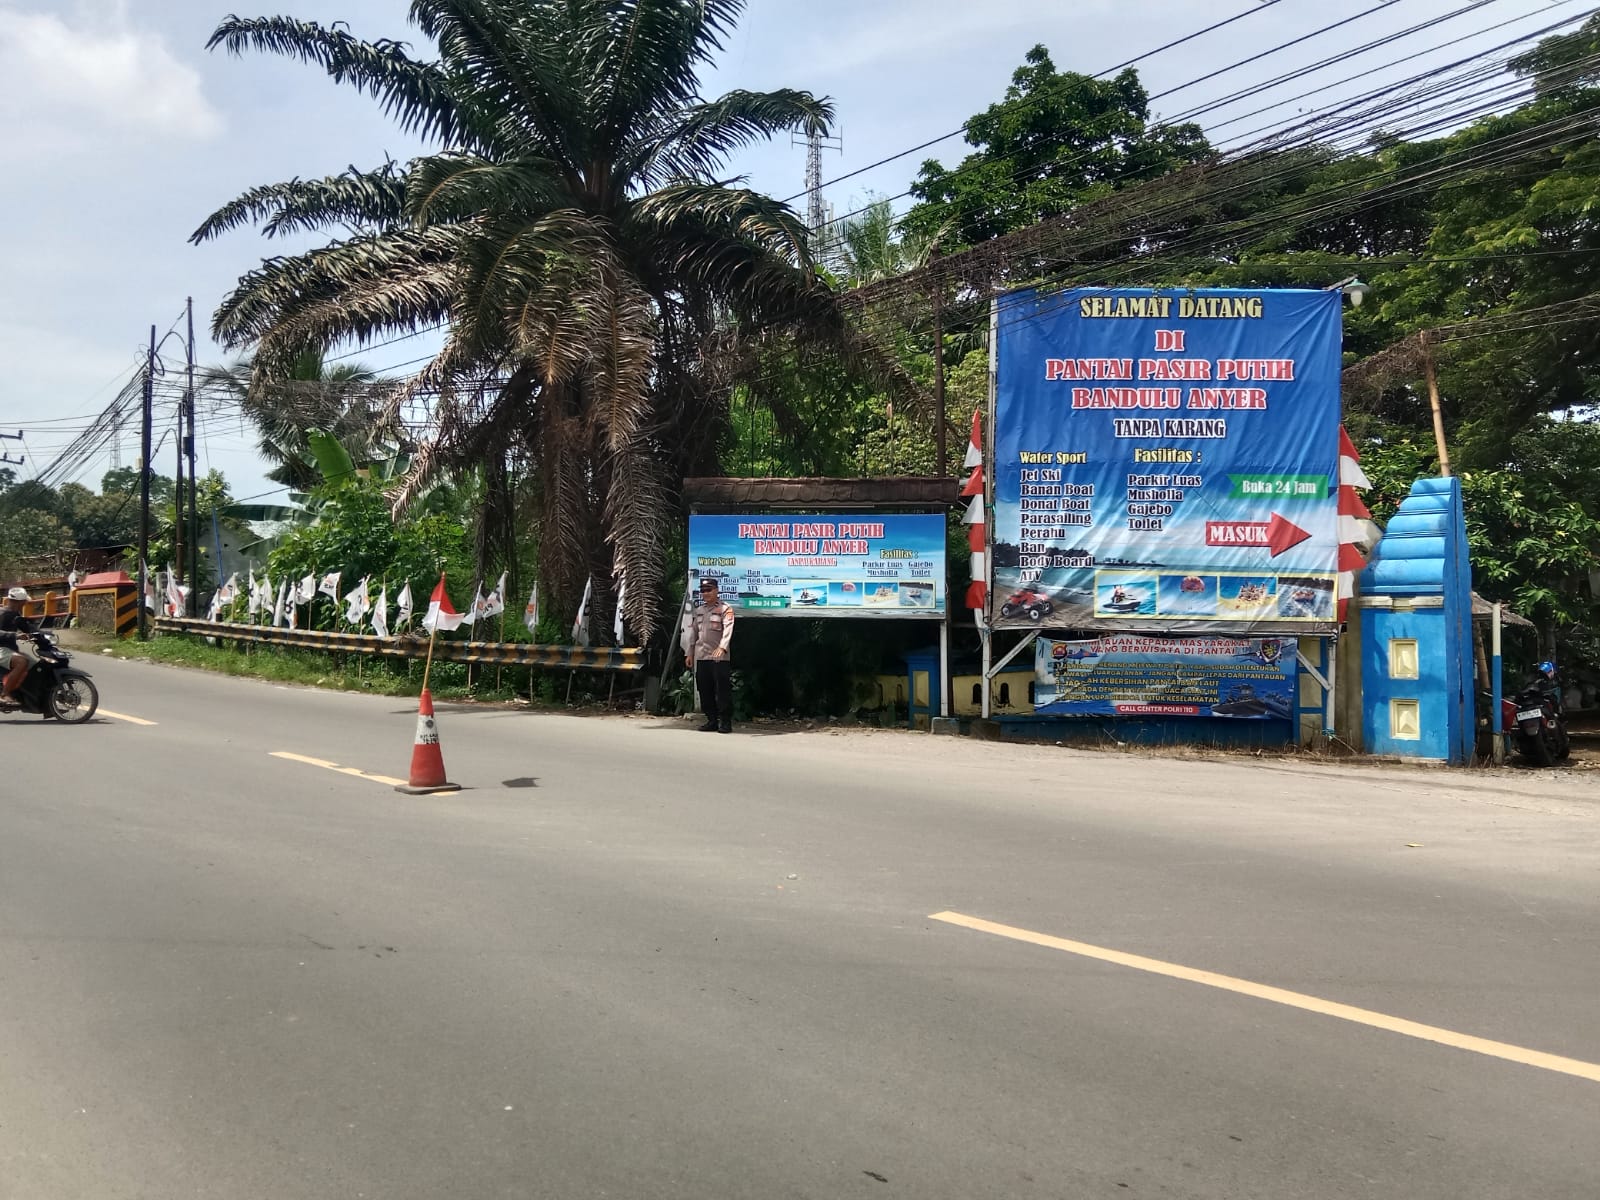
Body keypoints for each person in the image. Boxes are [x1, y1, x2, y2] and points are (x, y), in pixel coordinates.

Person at [680, 577, 736, 733]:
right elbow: (693, 634)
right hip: (702, 657)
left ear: (716, 590)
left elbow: (728, 630)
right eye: (703, 590)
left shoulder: (725, 609)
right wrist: (689, 654)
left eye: (709, 590)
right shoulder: (699, 611)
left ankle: (725, 722)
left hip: (719, 657)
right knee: (704, 690)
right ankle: (711, 720)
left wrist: (722, 647)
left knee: (722, 690)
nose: (706, 593)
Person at [0, 586, 40, 710]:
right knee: (22, 662)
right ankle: (4, 694)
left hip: (10, 649)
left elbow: (28, 628)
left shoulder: (16, 614)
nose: (25, 604)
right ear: (16, 602)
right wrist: (16, 635)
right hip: (1, 649)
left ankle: (27, 696)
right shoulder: (2, 613)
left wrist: (43, 635)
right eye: (23, 602)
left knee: (36, 665)